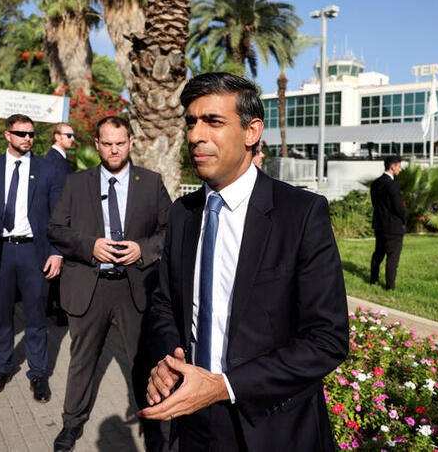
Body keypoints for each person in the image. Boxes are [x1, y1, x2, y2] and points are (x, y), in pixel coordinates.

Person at [138, 72, 349, 451]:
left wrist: (225, 386)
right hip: (195, 426)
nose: (195, 136)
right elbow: (165, 304)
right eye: (191, 122)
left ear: (251, 132)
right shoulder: (183, 214)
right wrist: (171, 361)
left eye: (213, 122)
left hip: (272, 427)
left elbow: (326, 339)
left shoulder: (299, 214)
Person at [48, 116, 171, 452]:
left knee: (144, 363)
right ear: (98, 145)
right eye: (107, 143)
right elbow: (56, 229)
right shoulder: (76, 184)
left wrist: (142, 250)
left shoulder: (151, 182)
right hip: (90, 285)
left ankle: (156, 426)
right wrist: (90, 246)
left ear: (131, 142)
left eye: (120, 142)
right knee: (82, 362)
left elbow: (169, 231)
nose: (114, 149)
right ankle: (71, 425)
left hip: (135, 289)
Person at [0, 113, 62, 403]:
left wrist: (57, 253)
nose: (28, 138)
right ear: (7, 135)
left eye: (31, 134)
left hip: (33, 253)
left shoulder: (47, 169)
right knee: (1, 316)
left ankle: (38, 374)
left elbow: (58, 216)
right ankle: (2, 367)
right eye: (21, 133)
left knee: (37, 316)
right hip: (0, 253)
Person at [43, 122, 75, 326]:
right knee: (57, 268)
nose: (73, 138)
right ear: (57, 137)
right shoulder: (54, 162)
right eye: (69, 135)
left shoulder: (59, 160)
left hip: (58, 224)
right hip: (57, 224)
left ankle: (53, 307)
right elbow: (58, 199)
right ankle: (59, 311)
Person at [369, 155, 405, 290]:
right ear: (392, 166)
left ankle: (373, 279)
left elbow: (374, 203)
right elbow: (398, 207)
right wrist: (404, 219)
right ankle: (390, 286)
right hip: (393, 227)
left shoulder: (376, 183)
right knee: (392, 257)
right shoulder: (393, 185)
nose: (400, 170)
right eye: (399, 166)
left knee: (378, 253)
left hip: (379, 224)